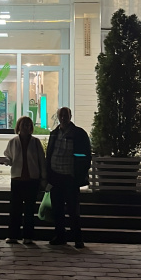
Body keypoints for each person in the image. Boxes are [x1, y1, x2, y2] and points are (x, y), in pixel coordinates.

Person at [45, 106, 91, 249]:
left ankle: (77, 238)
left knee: (73, 210)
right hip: (56, 177)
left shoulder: (79, 134)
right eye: (61, 115)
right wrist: (48, 175)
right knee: (57, 210)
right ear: (58, 117)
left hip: (70, 178)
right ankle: (60, 236)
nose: (63, 118)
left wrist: (79, 174)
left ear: (70, 116)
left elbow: (86, 156)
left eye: (66, 115)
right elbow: (49, 154)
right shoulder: (54, 134)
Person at [1, 116, 46, 246]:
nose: (26, 127)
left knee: (29, 209)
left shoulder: (35, 142)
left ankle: (28, 236)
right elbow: (9, 157)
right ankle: (13, 235)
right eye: (24, 125)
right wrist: (5, 161)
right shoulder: (13, 142)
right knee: (15, 209)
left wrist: (44, 178)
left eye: (28, 125)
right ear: (19, 126)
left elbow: (42, 161)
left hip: (32, 179)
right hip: (17, 179)